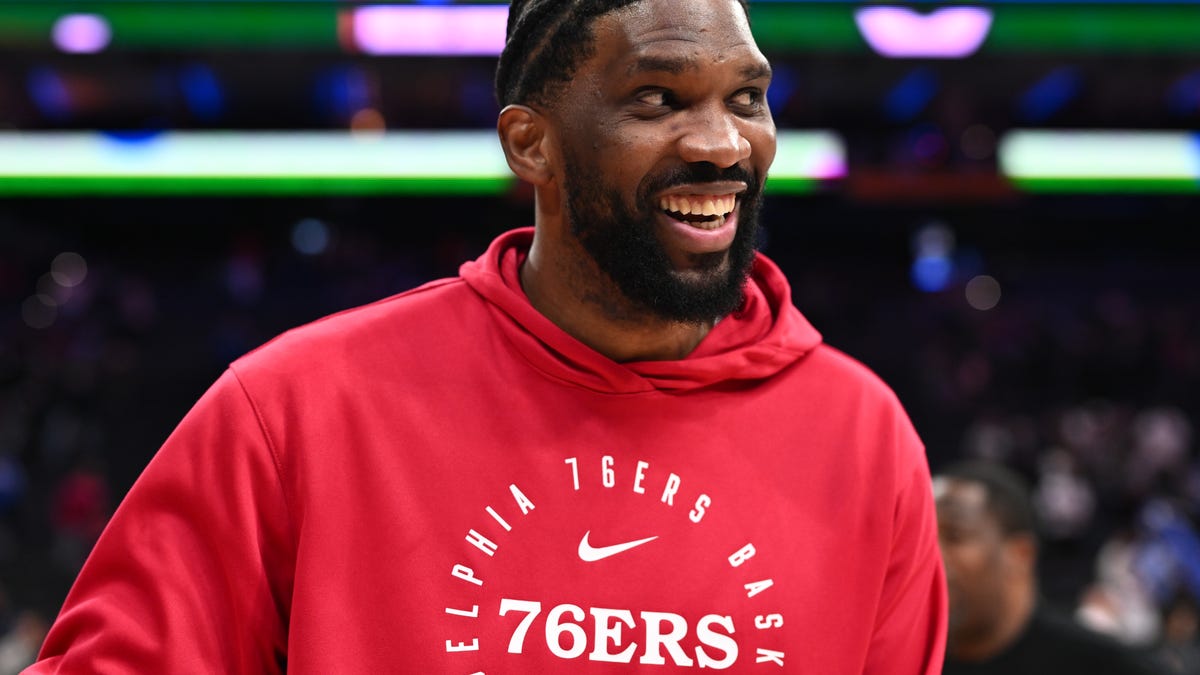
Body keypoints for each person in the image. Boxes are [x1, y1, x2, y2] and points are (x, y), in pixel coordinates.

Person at [27, 0, 947, 671]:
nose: (721, 143)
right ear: (530, 144)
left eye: (746, 99)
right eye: (659, 100)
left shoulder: (864, 439)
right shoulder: (298, 408)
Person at [936, 461, 1160, 674]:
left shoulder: (1110, 665)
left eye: (954, 537)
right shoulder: (910, 661)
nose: (934, 556)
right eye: (924, 540)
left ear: (1019, 556)